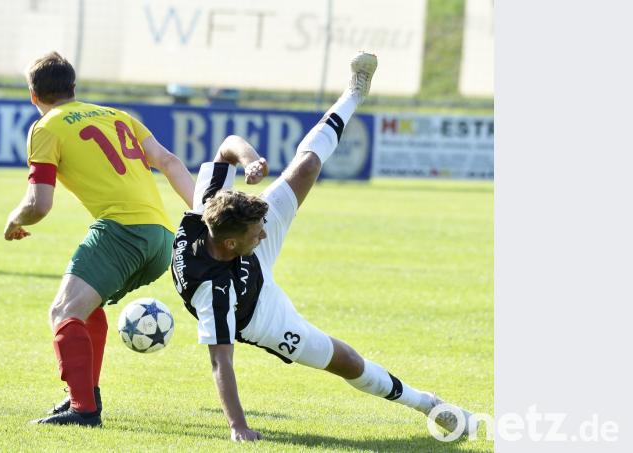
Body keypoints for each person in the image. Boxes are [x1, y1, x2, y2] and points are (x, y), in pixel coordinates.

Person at [170, 52, 476, 441]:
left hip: (245, 260)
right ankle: (429, 404)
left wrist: (250, 161)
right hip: (258, 311)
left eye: (263, 225)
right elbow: (220, 363)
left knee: (307, 166)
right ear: (232, 242)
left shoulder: (209, 211)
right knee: (346, 361)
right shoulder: (213, 293)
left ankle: (353, 92)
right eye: (257, 232)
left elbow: (227, 145)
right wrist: (239, 427)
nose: (264, 233)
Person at [4, 51, 194, 427]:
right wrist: (204, 213)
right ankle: (84, 397)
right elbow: (170, 161)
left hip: (122, 233)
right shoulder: (117, 116)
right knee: (86, 309)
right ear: (74, 88)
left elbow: (39, 205)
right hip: (160, 238)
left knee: (62, 312)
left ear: (33, 95)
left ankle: (83, 411)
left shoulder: (46, 128)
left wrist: (14, 219)